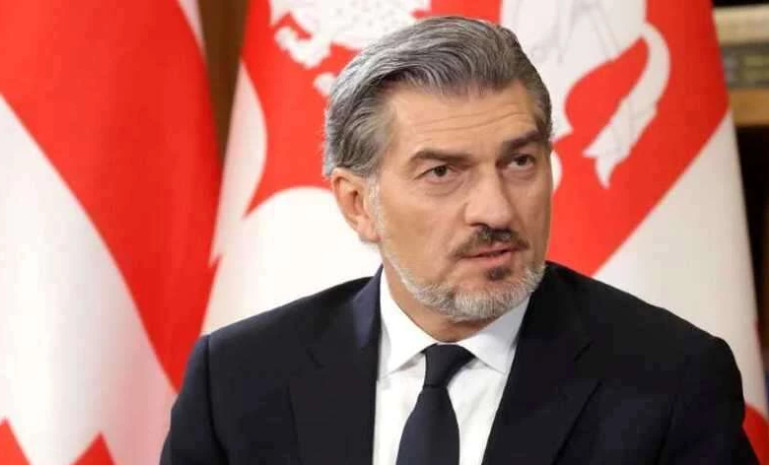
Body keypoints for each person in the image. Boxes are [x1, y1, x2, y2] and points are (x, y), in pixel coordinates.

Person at [161, 16, 757, 465]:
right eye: (443, 172)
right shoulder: (239, 380)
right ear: (358, 204)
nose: (496, 209)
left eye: (519, 162)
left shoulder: (670, 380)